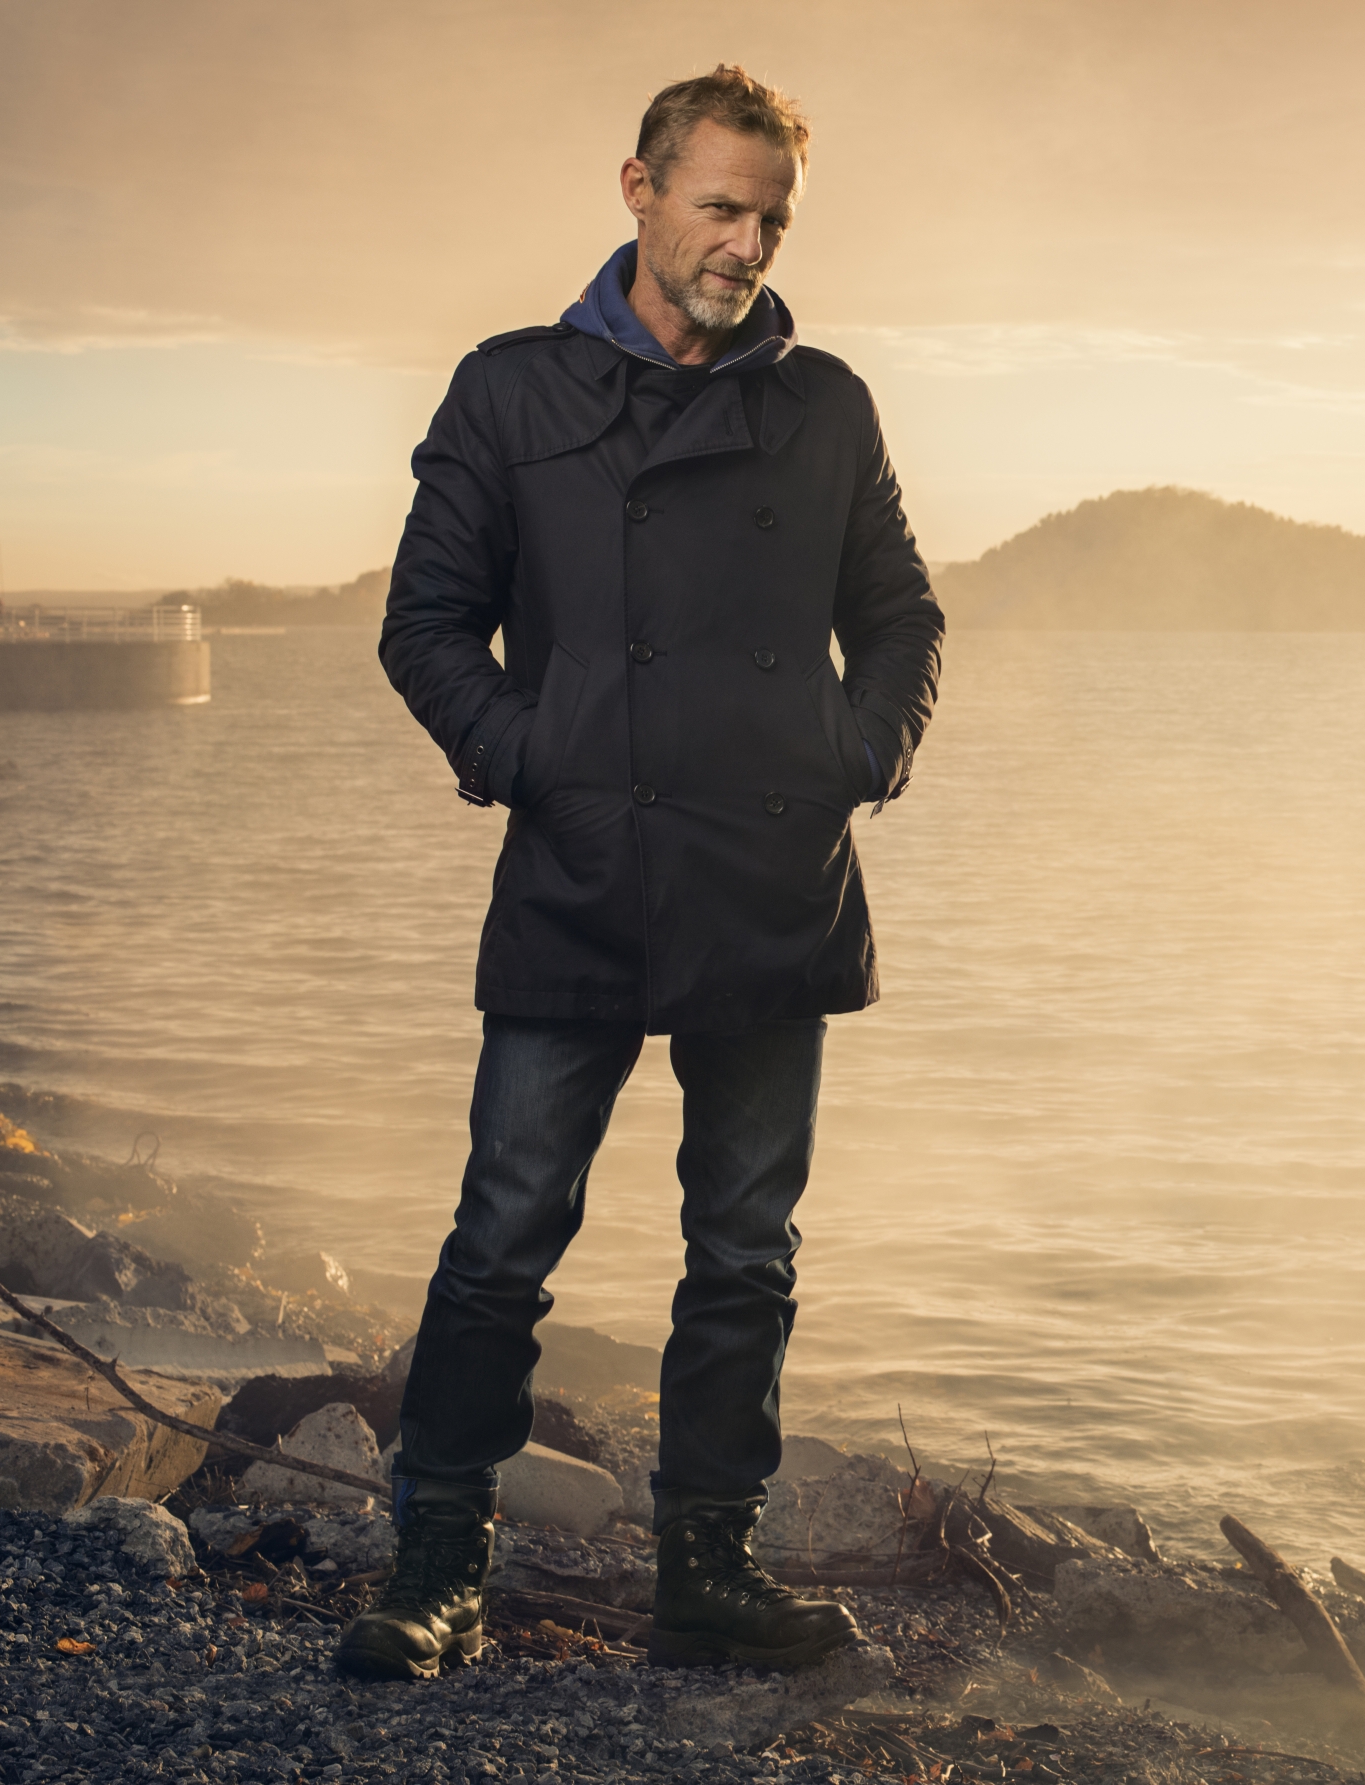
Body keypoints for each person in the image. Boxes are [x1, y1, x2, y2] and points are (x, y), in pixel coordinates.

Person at [349, 65, 945, 1680]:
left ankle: (709, 1571)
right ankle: (435, 1572)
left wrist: (855, 753)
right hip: (581, 870)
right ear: (637, 188)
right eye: (719, 204)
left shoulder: (825, 407)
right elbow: (423, 627)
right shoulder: (512, 391)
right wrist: (539, 762)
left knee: (745, 1247)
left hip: (770, 877)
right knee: (503, 1232)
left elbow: (901, 617)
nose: (744, 242)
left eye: (770, 217)